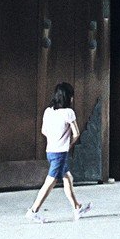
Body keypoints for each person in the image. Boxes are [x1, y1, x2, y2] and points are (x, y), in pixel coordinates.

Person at [25, 81, 91, 223]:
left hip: (50, 151)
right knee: (50, 182)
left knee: (68, 178)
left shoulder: (48, 111)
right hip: (61, 153)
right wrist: (68, 144)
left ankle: (77, 207)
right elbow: (76, 133)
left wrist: (55, 138)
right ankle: (33, 210)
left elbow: (44, 131)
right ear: (68, 97)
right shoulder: (69, 113)